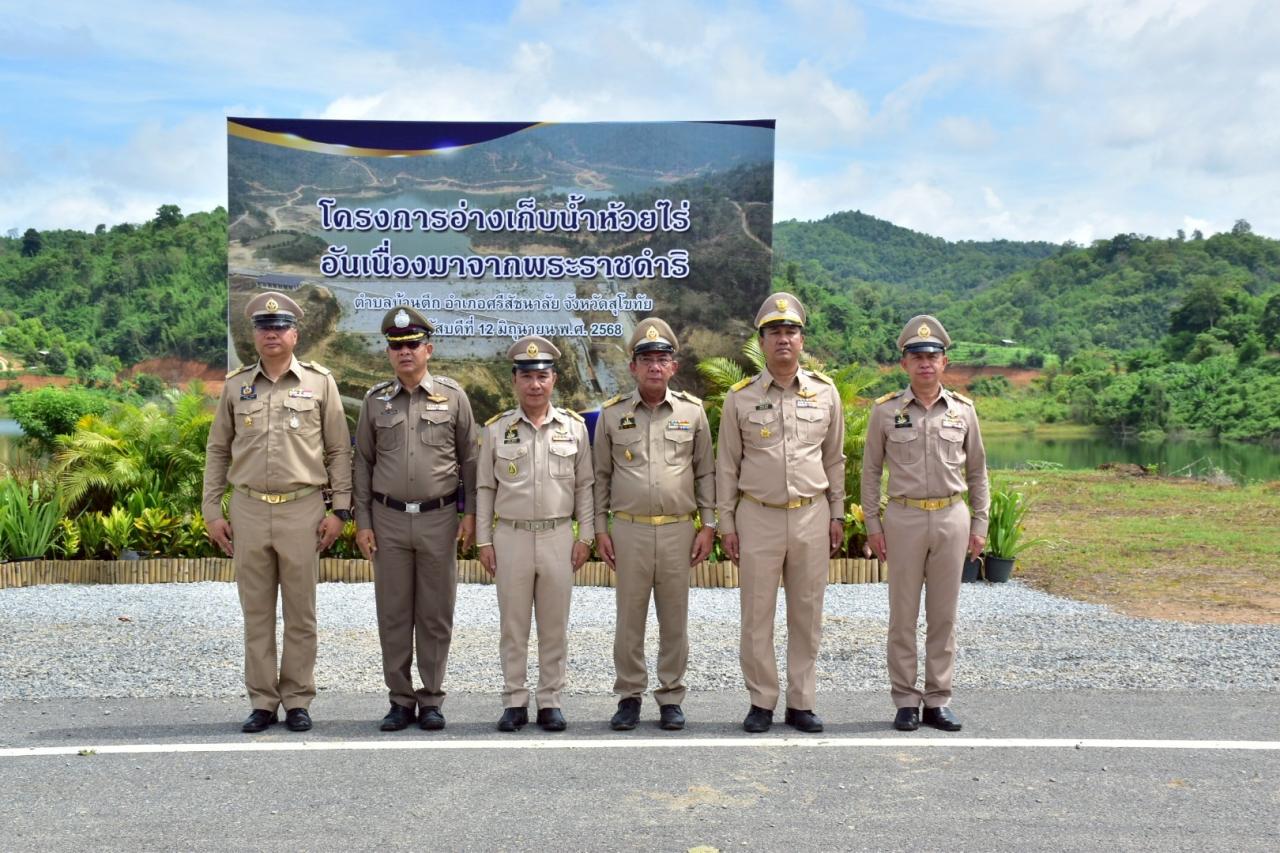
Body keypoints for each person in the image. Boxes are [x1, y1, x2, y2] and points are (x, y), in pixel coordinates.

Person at [202, 291, 353, 734]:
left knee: (302, 613)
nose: (272, 333)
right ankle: (263, 701)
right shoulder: (235, 385)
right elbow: (217, 451)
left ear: (295, 334)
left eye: (280, 326)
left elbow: (339, 450)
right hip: (248, 508)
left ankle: (298, 699)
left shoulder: (320, 383)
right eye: (265, 327)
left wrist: (340, 509)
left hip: (302, 509)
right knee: (257, 612)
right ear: (254, 335)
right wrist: (213, 509)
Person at [715, 292, 845, 734]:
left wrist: (838, 515)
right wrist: (726, 522)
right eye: (775, 332)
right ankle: (761, 701)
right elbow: (727, 465)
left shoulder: (826, 394)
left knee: (807, 613)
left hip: (811, 513)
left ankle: (801, 701)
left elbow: (835, 459)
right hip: (758, 516)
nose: (783, 339)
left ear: (802, 340)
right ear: (762, 341)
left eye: (791, 331)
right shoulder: (740, 398)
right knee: (757, 613)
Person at [861, 315, 989, 732]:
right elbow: (869, 472)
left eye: (932, 357)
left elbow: (977, 473)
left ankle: (938, 699)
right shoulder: (885, 412)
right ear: (904, 364)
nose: (924, 364)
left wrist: (980, 524)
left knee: (944, 614)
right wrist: (873, 526)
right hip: (904, 518)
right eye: (916, 357)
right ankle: (904, 700)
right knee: (902, 614)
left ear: (944, 361)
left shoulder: (963, 412)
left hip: (952, 516)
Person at [353, 305, 477, 732]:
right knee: (393, 612)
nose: (404, 352)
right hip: (387, 519)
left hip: (438, 518)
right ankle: (400, 700)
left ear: (429, 348)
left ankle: (432, 698)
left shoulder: (453, 397)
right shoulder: (375, 402)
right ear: (389, 352)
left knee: (435, 612)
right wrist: (363, 521)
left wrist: (471, 514)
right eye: (396, 346)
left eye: (412, 345)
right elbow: (362, 464)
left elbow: (471, 461)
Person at [593, 318, 716, 732]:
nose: (654, 367)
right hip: (629, 529)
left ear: (673, 367)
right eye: (646, 359)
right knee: (629, 617)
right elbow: (601, 477)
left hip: (679, 528)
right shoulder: (612, 416)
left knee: (674, 616)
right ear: (632, 367)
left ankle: (670, 696)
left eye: (662, 359)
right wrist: (599, 530)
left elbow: (705, 473)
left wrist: (708, 524)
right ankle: (629, 696)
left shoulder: (692, 412)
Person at [476, 336, 594, 732]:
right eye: (527, 376)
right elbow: (485, 489)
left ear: (554, 379)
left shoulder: (573, 428)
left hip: (558, 535)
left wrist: (586, 535)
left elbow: (584, 486)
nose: (535, 384)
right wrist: (483, 540)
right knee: (513, 624)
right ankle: (513, 700)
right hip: (510, 536)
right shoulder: (497, 430)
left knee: (554, 623)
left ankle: (550, 700)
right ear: (515, 381)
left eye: (542, 376)